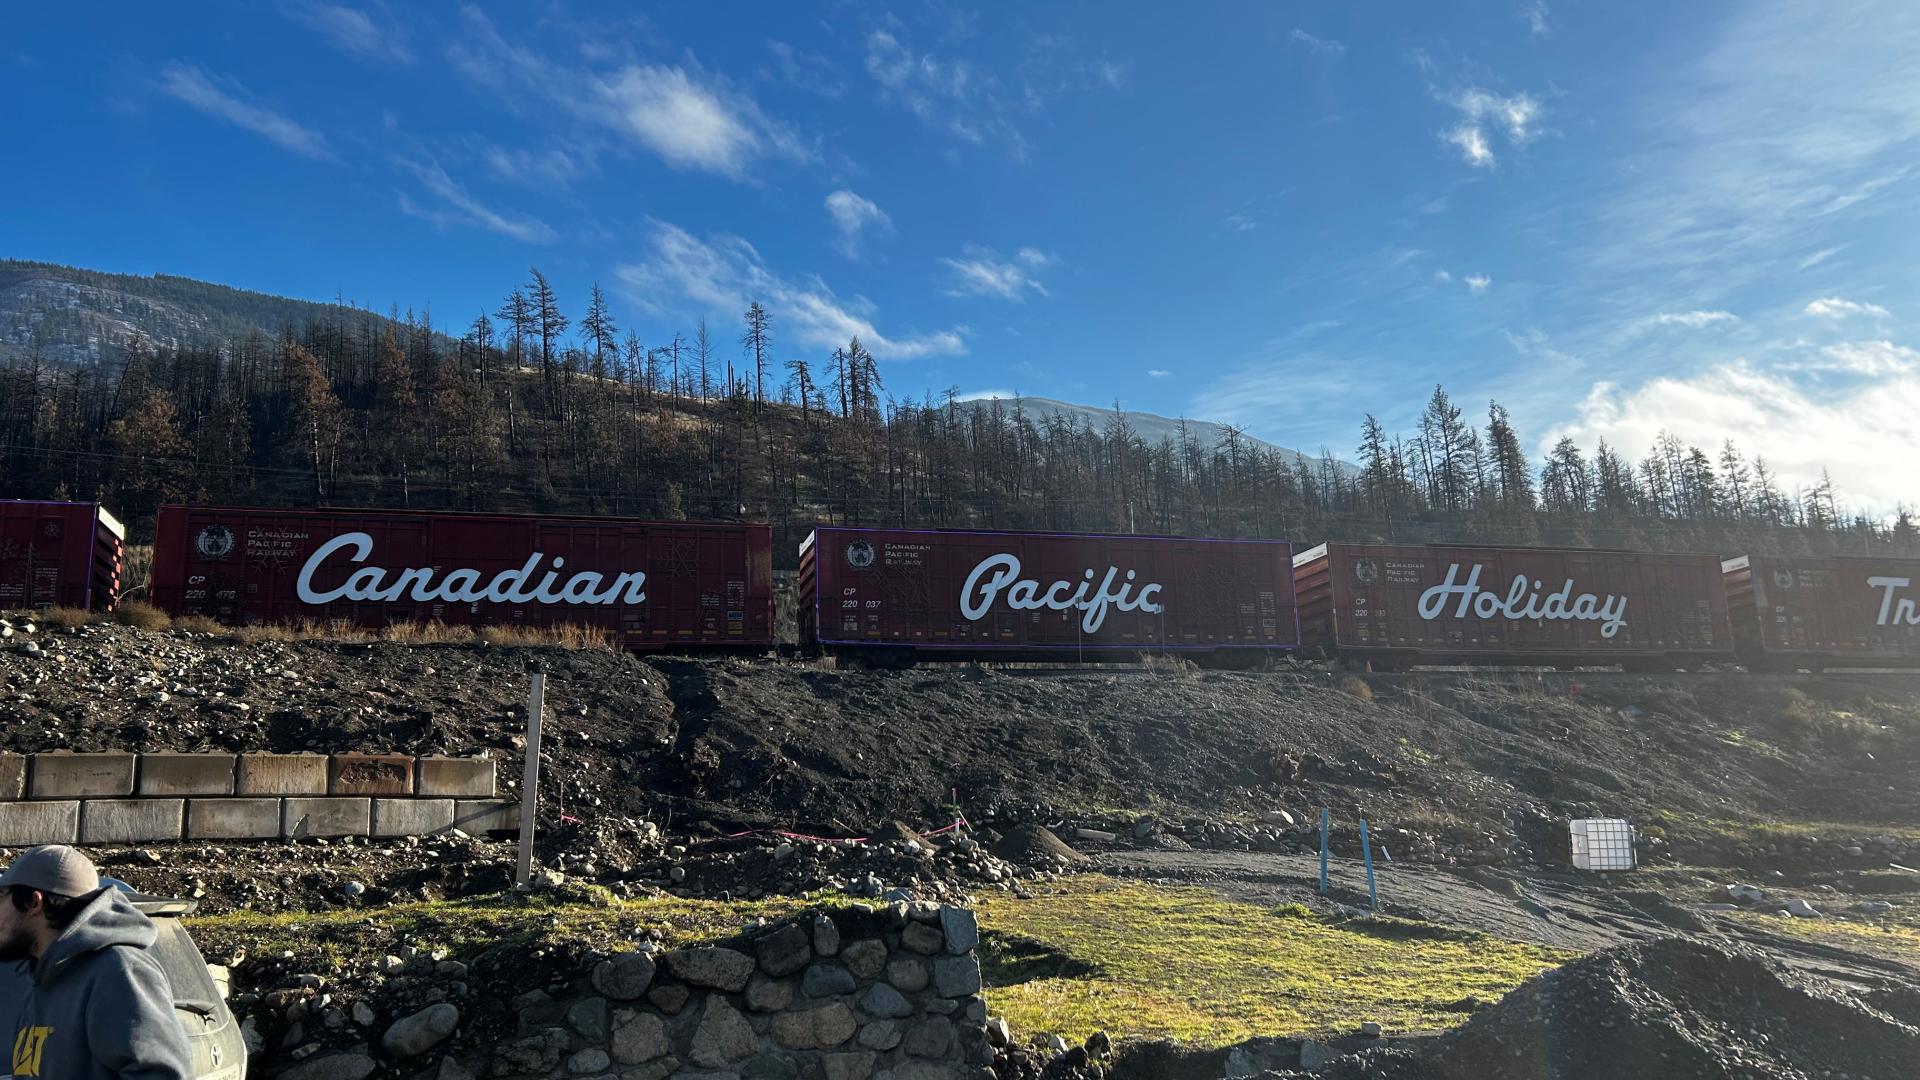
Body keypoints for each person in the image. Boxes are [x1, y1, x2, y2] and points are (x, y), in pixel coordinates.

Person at [0, 845, 190, 1080]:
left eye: (1, 898)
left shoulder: (117, 970)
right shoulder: (41, 976)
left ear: (33, 903)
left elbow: (160, 1075)